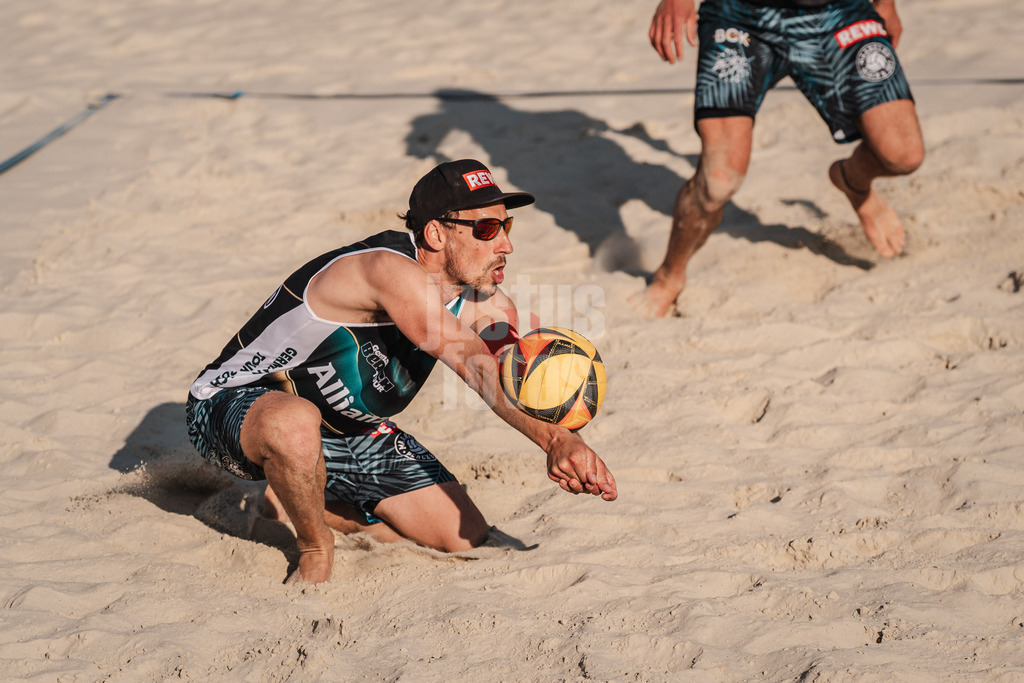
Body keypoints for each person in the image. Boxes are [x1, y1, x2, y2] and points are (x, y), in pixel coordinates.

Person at [185, 159, 617, 584]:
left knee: (464, 537)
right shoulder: (386, 270)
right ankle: (315, 543)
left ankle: (297, 499)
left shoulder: (488, 301)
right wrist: (554, 440)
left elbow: (513, 374)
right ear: (435, 233)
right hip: (232, 406)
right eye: (486, 229)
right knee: (296, 423)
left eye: (506, 227)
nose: (505, 245)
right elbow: (470, 361)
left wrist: (569, 442)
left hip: (350, 430)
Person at [638, 0, 925, 317]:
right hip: (740, 15)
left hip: (839, 12)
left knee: (903, 154)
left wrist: (886, 3)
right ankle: (669, 275)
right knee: (719, 180)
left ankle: (853, 181)